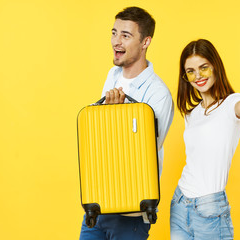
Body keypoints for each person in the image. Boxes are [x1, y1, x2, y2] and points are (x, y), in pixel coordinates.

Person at [170, 39, 240, 239]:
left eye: (203, 68)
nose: (198, 76)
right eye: (191, 71)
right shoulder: (191, 114)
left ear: (215, 66)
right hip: (180, 203)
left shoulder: (231, 104)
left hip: (209, 210)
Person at [79, 7, 174, 240]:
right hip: (98, 204)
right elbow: (98, 136)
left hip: (131, 213)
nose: (116, 41)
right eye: (114, 33)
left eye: (125, 35)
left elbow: (144, 154)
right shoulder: (113, 75)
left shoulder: (158, 94)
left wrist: (117, 115)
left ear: (145, 42)